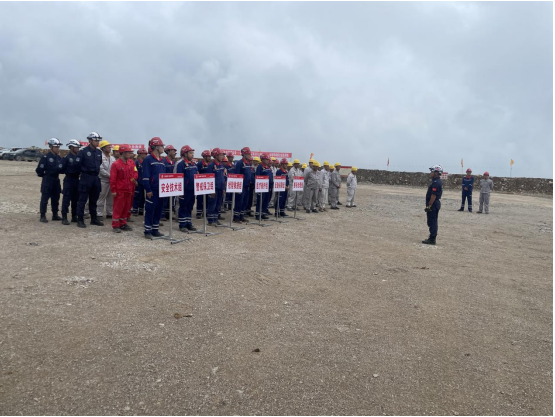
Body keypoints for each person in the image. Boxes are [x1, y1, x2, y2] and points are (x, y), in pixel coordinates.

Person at [76, 132, 104, 228]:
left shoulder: (99, 152)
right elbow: (77, 165)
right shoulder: (83, 152)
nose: (97, 142)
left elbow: (99, 163)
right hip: (86, 177)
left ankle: (93, 219)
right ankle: (80, 219)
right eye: (95, 140)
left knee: (94, 200)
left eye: (98, 140)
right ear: (90, 140)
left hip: (95, 177)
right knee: (82, 200)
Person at [142, 137, 167, 239]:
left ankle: (155, 229)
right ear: (156, 147)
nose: (163, 148)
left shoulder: (162, 160)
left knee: (158, 210)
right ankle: (147, 231)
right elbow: (145, 177)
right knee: (150, 210)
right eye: (161, 146)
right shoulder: (148, 160)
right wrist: (148, 189)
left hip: (161, 190)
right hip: (152, 190)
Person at [109, 145, 137, 233]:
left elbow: (131, 176)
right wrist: (113, 190)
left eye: (130, 152)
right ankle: (115, 225)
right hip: (120, 190)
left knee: (126, 208)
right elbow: (112, 179)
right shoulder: (116, 164)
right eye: (128, 152)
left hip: (128, 190)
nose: (130, 154)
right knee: (118, 208)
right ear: (123, 153)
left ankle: (123, 223)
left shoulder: (129, 164)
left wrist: (134, 182)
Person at [36, 138, 63, 223]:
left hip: (56, 180)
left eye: (58, 147)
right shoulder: (45, 157)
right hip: (48, 179)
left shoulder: (58, 157)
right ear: (51, 147)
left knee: (56, 198)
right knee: (45, 198)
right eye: (56, 147)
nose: (58, 149)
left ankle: (55, 214)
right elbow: (39, 170)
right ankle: (42, 215)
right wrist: (45, 176)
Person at [175, 145, 198, 232]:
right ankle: (182, 225)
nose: (192, 154)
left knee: (190, 207)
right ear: (185, 154)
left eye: (192, 153)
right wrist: (181, 190)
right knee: (183, 207)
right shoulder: (180, 164)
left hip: (192, 190)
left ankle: (189, 223)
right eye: (190, 153)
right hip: (184, 190)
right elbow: (179, 178)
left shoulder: (193, 164)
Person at [60, 139, 82, 225]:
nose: (78, 149)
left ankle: (74, 216)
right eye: (76, 147)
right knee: (66, 199)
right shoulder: (66, 158)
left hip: (77, 179)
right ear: (71, 147)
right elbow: (61, 169)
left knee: (75, 199)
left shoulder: (79, 157)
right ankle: (64, 217)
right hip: (69, 180)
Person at [422, 165, 444, 245]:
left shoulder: (436, 183)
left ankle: (432, 238)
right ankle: (431, 237)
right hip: (434, 204)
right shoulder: (435, 181)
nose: (431, 173)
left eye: (432, 171)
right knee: (431, 221)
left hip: (434, 204)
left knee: (432, 221)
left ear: (436, 173)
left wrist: (429, 206)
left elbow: (433, 196)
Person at [206, 148, 226, 225]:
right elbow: (209, 178)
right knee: (212, 204)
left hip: (220, 188)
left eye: (222, 155)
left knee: (218, 204)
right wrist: (211, 190)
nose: (222, 156)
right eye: (221, 155)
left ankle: (215, 218)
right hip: (214, 189)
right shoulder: (211, 165)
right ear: (216, 155)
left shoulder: (221, 165)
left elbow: (223, 177)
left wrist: (223, 188)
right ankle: (211, 220)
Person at [233, 147, 252, 223]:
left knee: (245, 202)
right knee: (239, 202)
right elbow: (237, 174)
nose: (250, 155)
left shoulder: (248, 163)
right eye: (248, 154)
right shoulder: (240, 163)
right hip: (241, 186)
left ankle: (241, 216)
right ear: (244, 154)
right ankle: (236, 217)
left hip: (247, 186)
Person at [97, 140, 115, 220]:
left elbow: (115, 168)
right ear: (103, 148)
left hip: (111, 181)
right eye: (108, 147)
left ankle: (109, 213)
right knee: (101, 197)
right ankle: (99, 214)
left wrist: (113, 177)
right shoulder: (99, 157)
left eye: (110, 147)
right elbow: (101, 169)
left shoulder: (112, 158)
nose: (110, 148)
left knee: (110, 198)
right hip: (103, 180)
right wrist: (111, 176)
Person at [255, 153, 273, 220]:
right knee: (260, 201)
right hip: (262, 187)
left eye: (268, 159)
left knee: (266, 201)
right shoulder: (260, 167)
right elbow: (257, 176)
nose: (268, 161)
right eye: (266, 159)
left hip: (268, 187)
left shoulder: (268, 167)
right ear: (262, 159)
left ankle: (263, 213)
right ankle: (258, 214)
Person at [196, 150, 212, 219]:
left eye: (210, 156)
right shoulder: (199, 164)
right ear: (204, 157)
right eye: (208, 156)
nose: (209, 158)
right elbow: (197, 173)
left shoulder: (210, 164)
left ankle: (206, 212)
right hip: (201, 184)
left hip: (208, 184)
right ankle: (199, 212)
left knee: (207, 198)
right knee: (200, 198)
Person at [162, 145, 176, 220]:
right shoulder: (163, 161)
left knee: (171, 200)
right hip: (165, 184)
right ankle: (162, 215)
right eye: (173, 151)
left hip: (172, 184)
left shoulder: (174, 162)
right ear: (168, 151)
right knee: (164, 200)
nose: (174, 153)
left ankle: (168, 214)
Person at [132, 148, 148, 216]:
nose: (145, 155)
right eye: (144, 154)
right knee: (137, 196)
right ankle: (135, 210)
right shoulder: (136, 162)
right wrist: (135, 180)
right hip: (138, 182)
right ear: (140, 154)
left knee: (143, 197)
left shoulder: (145, 162)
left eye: (146, 154)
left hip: (144, 182)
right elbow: (134, 172)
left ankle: (141, 210)